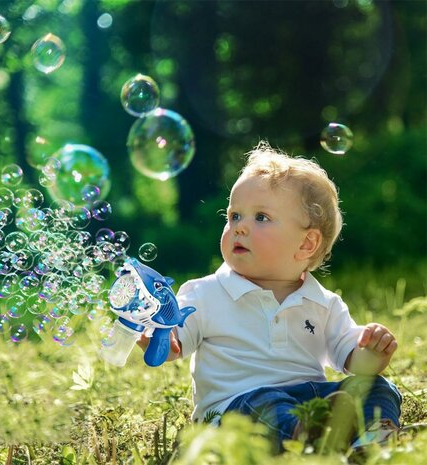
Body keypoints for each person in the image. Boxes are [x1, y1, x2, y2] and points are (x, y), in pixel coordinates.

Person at [140, 141, 402, 452]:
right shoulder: (205, 293)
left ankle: (372, 440)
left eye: (260, 217)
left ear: (306, 244)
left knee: (378, 387)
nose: (239, 228)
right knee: (263, 402)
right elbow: (173, 344)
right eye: (234, 216)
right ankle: (310, 438)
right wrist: (160, 336)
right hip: (232, 413)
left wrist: (373, 353)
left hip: (309, 401)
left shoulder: (323, 303)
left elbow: (352, 360)